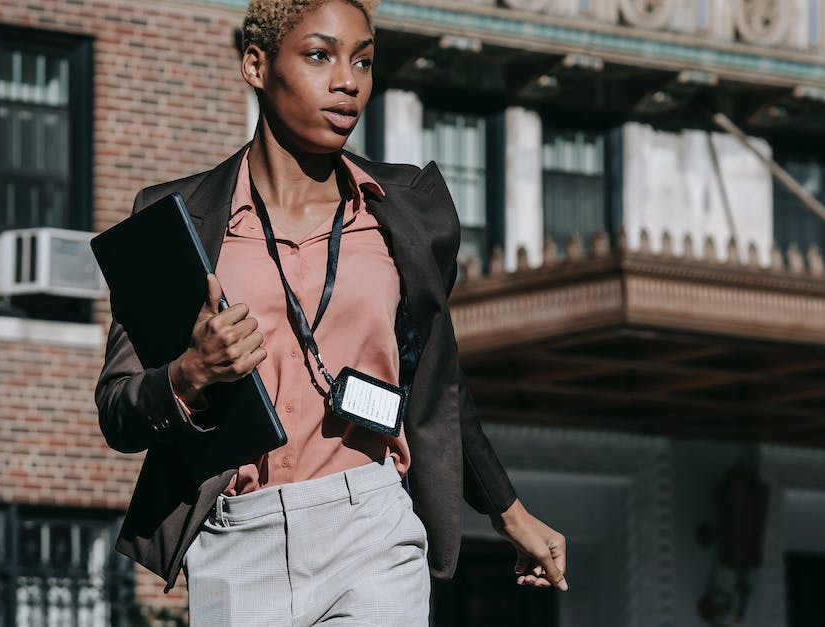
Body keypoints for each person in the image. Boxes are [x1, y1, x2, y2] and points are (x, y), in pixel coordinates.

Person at [95, 0, 567, 624]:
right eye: (320, 56)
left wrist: (509, 512)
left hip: (372, 523)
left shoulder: (406, 214)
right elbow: (118, 411)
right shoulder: (176, 223)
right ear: (256, 65)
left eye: (363, 61)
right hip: (238, 538)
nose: (348, 81)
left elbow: (438, 384)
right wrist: (191, 373)